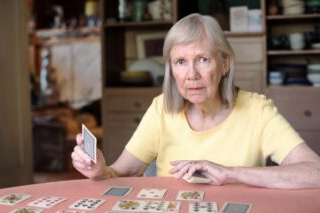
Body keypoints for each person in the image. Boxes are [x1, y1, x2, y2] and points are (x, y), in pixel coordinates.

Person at [71, 13, 320, 189]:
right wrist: (101, 171)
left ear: (224, 63)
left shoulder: (257, 111)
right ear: (172, 69)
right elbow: (120, 172)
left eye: (202, 59)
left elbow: (315, 172)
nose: (192, 74)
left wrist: (231, 174)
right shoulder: (161, 109)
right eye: (181, 62)